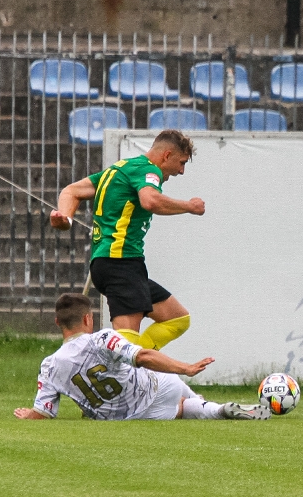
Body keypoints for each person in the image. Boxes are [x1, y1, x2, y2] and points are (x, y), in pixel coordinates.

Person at [50, 129, 202, 351]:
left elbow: (72, 191)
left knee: (177, 319)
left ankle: (137, 365)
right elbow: (150, 200)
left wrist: (66, 218)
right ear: (166, 155)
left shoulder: (119, 169)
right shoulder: (149, 170)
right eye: (181, 162)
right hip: (120, 263)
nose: (181, 171)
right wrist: (189, 207)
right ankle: (113, 367)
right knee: (126, 344)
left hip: (117, 264)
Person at [14, 293, 270, 420]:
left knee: (179, 409)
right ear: (87, 319)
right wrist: (185, 368)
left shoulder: (49, 365)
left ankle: (211, 408)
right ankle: (215, 408)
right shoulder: (102, 338)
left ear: (57, 321)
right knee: (179, 397)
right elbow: (144, 356)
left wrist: (29, 414)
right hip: (154, 389)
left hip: (122, 416)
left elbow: (44, 412)